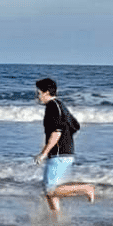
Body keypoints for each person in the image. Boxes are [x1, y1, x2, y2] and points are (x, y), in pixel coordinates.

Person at [34, 78, 94, 214]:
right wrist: (67, 141)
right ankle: (56, 218)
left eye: (38, 92)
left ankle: (86, 188)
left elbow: (56, 133)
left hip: (59, 154)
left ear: (46, 92)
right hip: (64, 152)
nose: (37, 96)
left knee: (50, 190)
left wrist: (43, 153)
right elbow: (76, 126)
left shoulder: (52, 107)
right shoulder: (61, 106)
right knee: (49, 190)